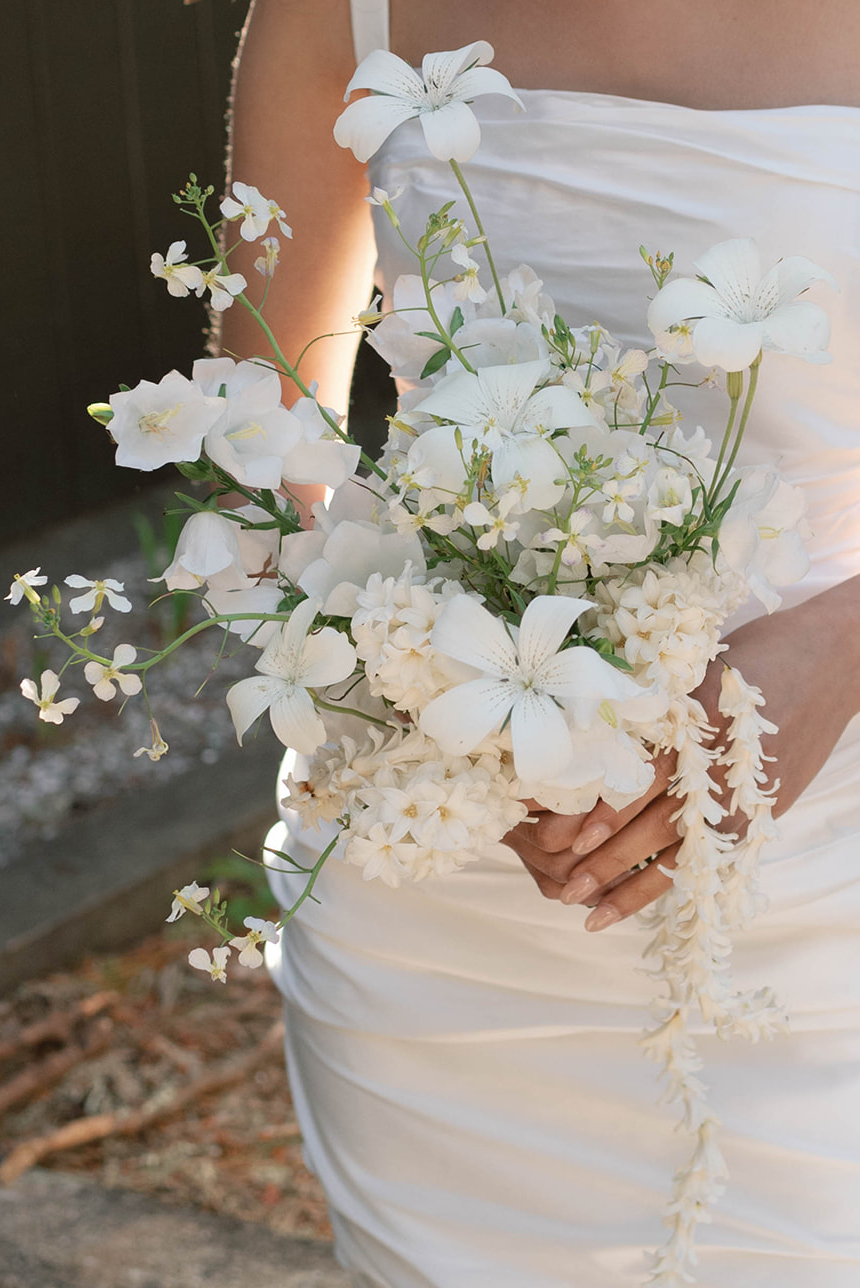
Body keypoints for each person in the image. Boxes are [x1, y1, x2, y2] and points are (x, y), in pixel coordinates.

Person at [222, 2, 860, 1283]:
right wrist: (413, 692)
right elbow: (256, 428)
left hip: (823, 887)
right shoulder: (334, 10)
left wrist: (845, 643)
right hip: (434, 908)